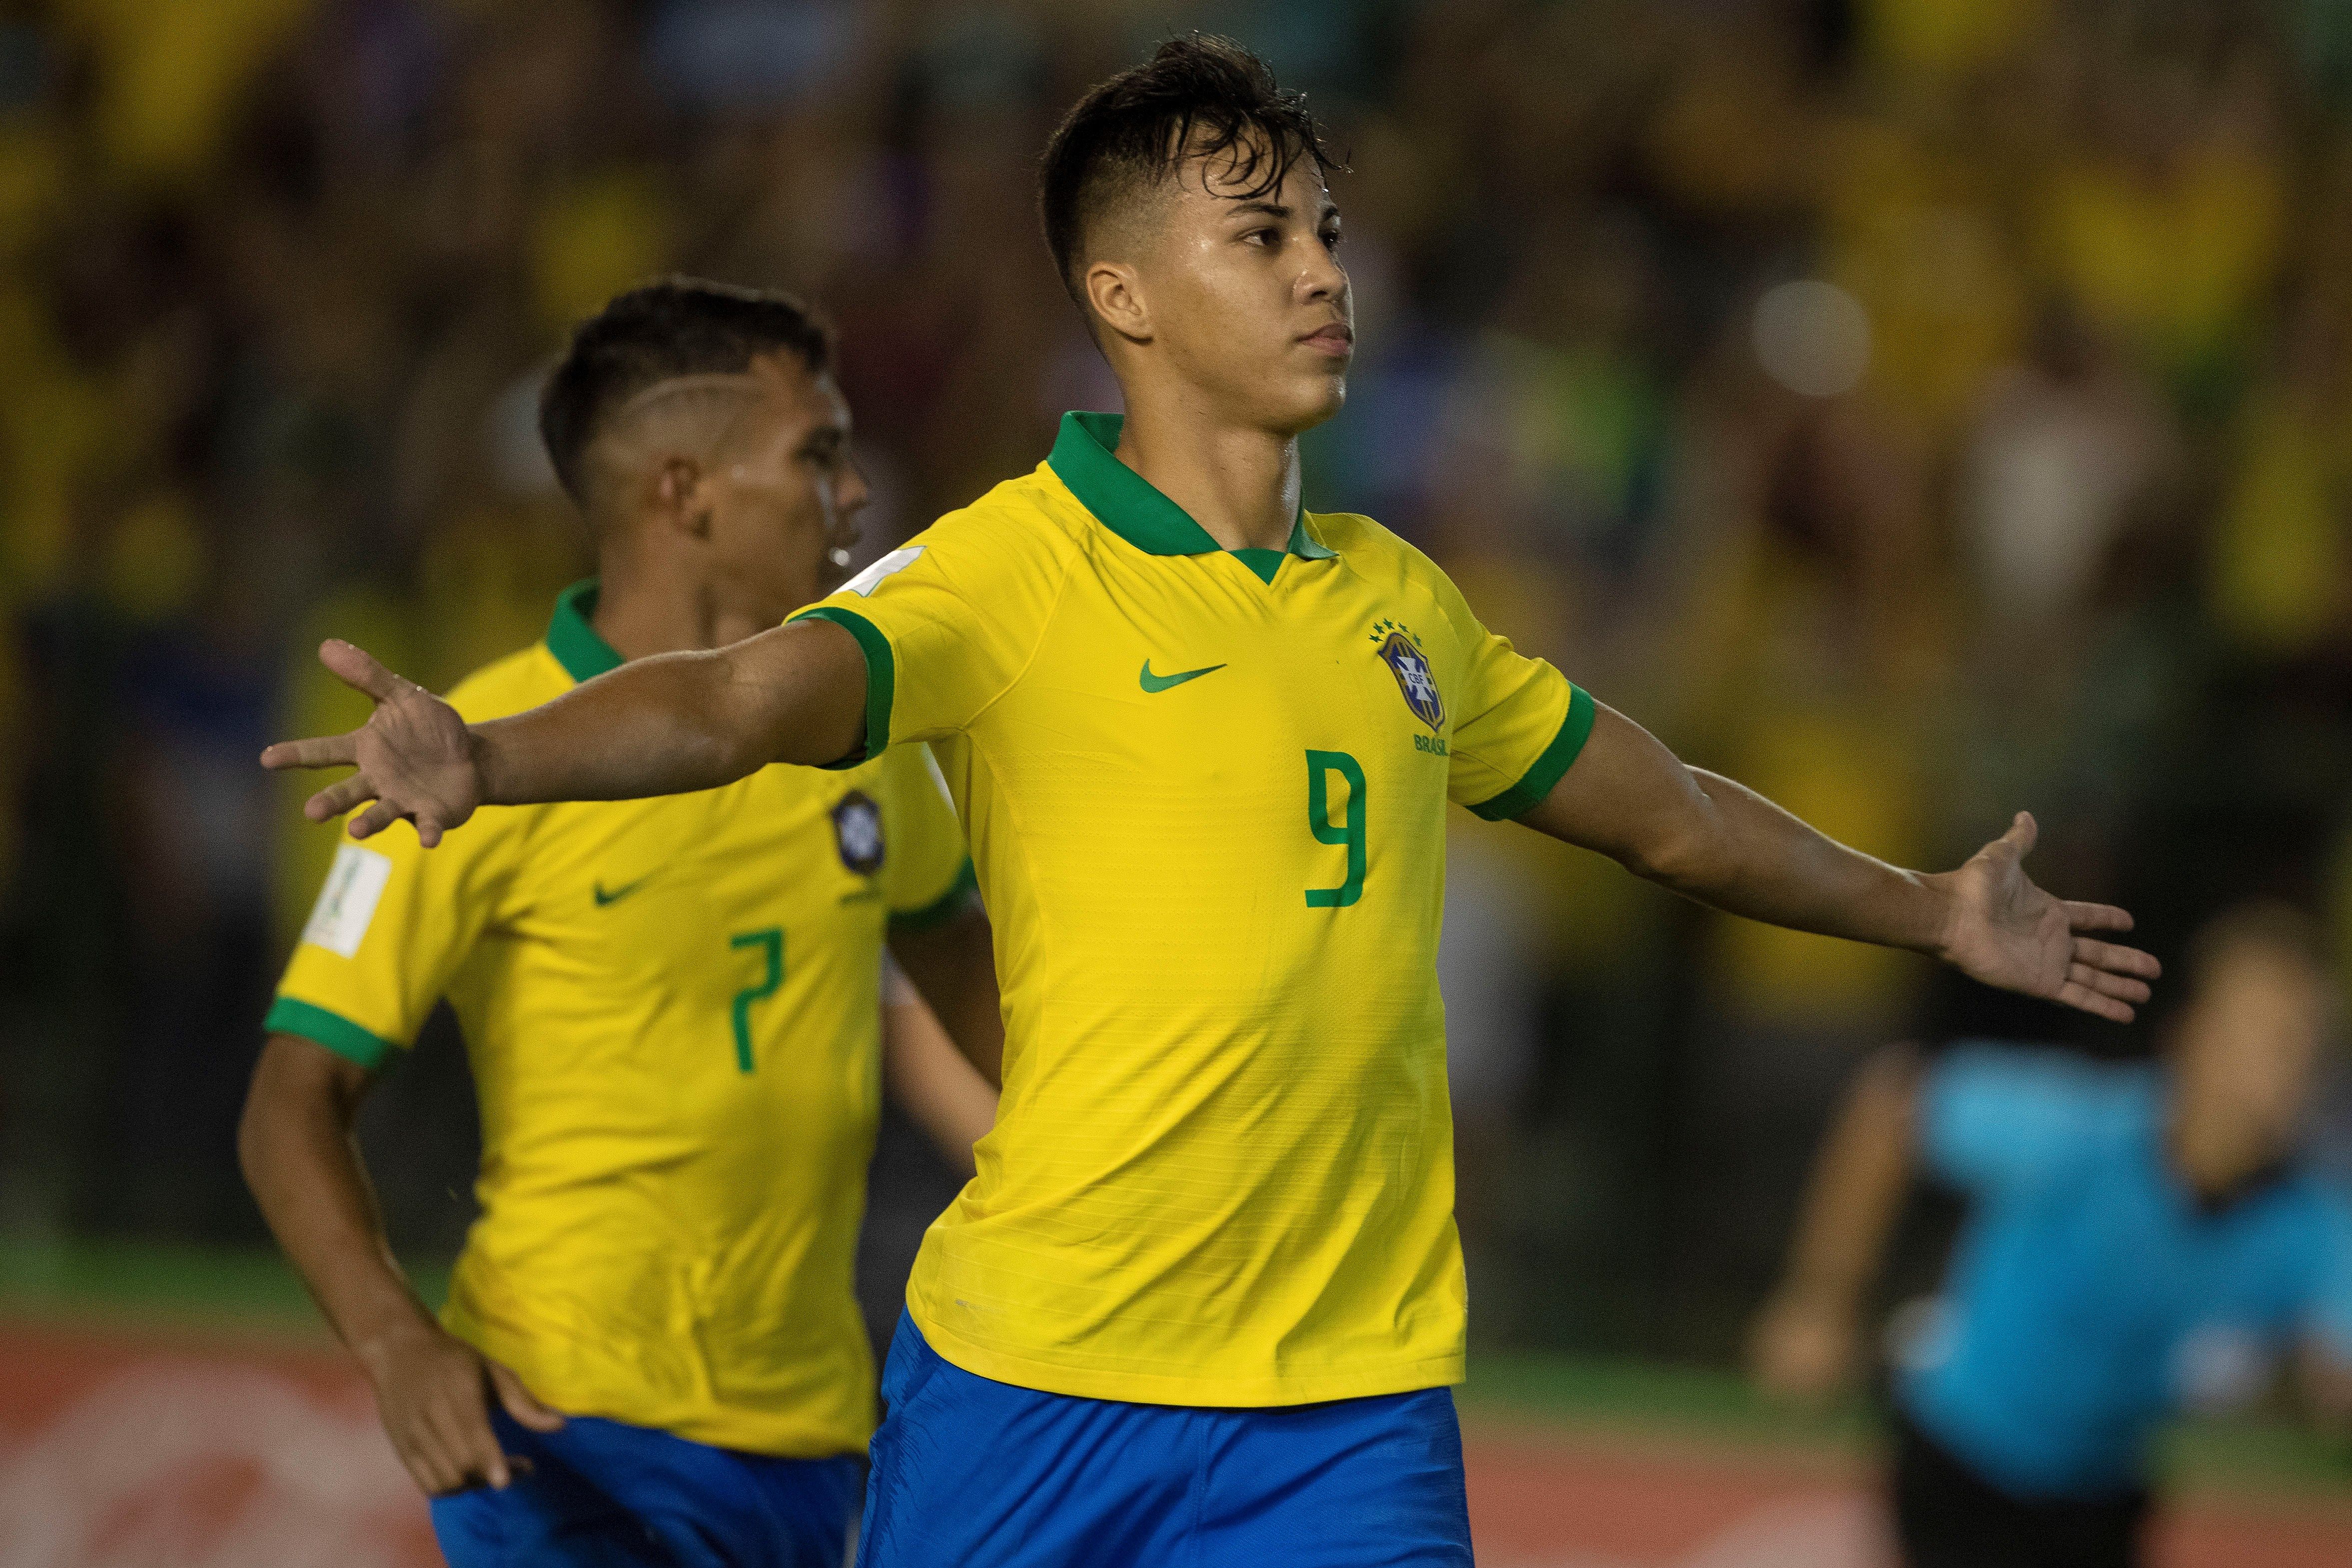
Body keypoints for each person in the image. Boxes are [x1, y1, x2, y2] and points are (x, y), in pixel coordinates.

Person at [260, 38, 2159, 1567]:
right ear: (1125, 297)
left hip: (1348, 1407)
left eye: (1326, 228)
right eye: (1261, 237)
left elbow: (1662, 810)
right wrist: (493, 756)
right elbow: (745, 696)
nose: (1325, 269)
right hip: (1037, 1384)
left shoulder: (1402, 601)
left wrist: (1928, 904)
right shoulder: (1005, 571)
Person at [238, 279, 1001, 1568]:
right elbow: (289, 1100)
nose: (856, 492)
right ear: (682, 492)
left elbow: (975, 1004)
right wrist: (394, 1341)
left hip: (810, 1440)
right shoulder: (472, 757)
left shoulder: (858, 740)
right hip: (561, 1434)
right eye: (817, 454)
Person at [1748, 903, 2352, 1568]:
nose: (2280, 1071)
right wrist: (1821, 1298)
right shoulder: (2082, 1134)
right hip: (1963, 1463)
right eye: (2263, 1037)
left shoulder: (2312, 1226)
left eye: (2305, 1046)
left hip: (2102, 1496)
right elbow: (1895, 1101)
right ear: (2189, 1034)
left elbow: (2336, 1368)